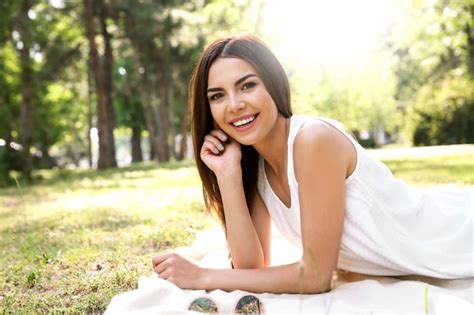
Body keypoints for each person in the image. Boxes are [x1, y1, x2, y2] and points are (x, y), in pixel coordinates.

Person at [151, 35, 473, 294]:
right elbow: (252, 267)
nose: (234, 105)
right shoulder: (257, 164)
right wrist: (228, 175)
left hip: (455, 236)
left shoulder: (313, 140)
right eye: (217, 96)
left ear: (273, 85)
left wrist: (203, 277)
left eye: (247, 85)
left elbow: (316, 277)